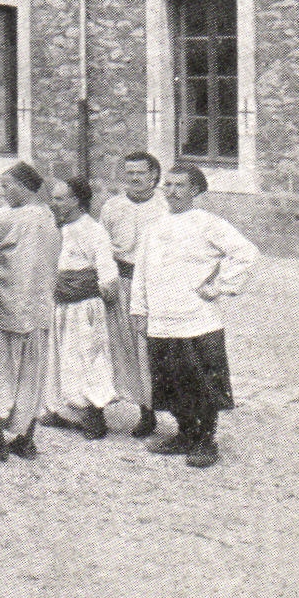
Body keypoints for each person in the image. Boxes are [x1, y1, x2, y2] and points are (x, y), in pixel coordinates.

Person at [131, 164, 258, 469]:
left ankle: (205, 440)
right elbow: (142, 271)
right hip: (162, 318)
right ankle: (185, 432)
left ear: (195, 191)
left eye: (180, 186)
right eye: (168, 185)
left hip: (197, 319)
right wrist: (139, 308)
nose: (172, 192)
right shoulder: (154, 227)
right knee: (171, 380)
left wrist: (218, 286)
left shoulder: (209, 224)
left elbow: (246, 253)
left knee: (200, 381)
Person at [0, 161, 61, 461]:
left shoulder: (6, 219)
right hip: (38, 308)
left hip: (8, 308)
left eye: (6, 186)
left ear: (21, 186)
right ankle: (26, 437)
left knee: (0, 374)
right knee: (32, 376)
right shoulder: (50, 216)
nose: (3, 192)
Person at [99, 151, 169, 438]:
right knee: (121, 348)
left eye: (141, 173)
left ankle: (159, 409)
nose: (135, 178)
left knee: (150, 349)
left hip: (154, 285)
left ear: (154, 175)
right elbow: (102, 250)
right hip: (122, 282)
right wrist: (106, 281)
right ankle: (134, 408)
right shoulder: (112, 207)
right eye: (129, 173)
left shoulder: (166, 207)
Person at [45, 176, 120, 440]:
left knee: (88, 358)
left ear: (76, 200)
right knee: (61, 357)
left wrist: (101, 290)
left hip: (85, 306)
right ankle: (63, 410)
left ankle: (94, 414)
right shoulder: (56, 229)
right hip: (60, 303)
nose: (53, 203)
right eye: (53, 198)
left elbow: (107, 270)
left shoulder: (93, 230)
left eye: (59, 198)